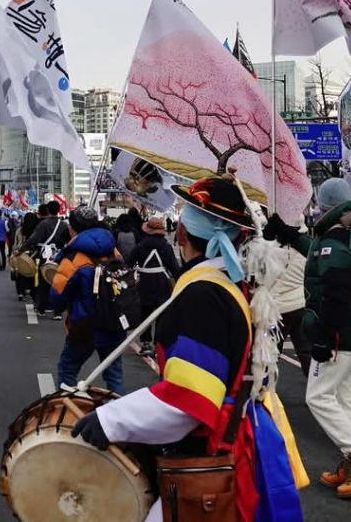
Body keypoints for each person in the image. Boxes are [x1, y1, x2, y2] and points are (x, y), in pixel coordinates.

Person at [71, 177, 302, 522]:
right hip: (237, 442)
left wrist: (110, 420)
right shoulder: (230, 284)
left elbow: (189, 400)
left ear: (181, 234)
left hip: (211, 452)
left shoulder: (204, 296)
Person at [267, 177, 351, 497]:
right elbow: (319, 254)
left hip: (338, 334)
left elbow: (333, 291)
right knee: (348, 399)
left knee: (318, 397)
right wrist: (289, 234)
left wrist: (324, 337)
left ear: (324, 204)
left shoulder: (335, 238)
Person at [50, 206, 127, 394]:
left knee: (68, 370)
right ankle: (116, 409)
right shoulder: (113, 251)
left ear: (72, 228)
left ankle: (67, 407)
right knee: (114, 374)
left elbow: (57, 296)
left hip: (84, 325)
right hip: (114, 320)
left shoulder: (73, 257)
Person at [261, 219, 313, 378]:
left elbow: (265, 279)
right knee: (306, 351)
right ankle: (318, 386)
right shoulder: (307, 247)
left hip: (277, 310)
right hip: (300, 304)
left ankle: (265, 387)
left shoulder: (271, 249)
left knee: (269, 354)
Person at [125, 216, 179, 358]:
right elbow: (174, 268)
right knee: (161, 315)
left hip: (145, 283)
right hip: (162, 283)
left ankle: (145, 343)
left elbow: (129, 263)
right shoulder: (166, 246)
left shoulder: (140, 246)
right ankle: (158, 344)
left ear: (148, 230)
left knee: (145, 314)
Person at [17, 201, 69, 317]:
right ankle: (58, 312)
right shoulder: (64, 225)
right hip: (59, 255)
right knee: (58, 281)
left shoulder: (43, 224)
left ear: (48, 210)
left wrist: (21, 250)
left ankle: (41, 309)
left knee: (43, 281)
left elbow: (33, 239)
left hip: (44, 255)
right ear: (59, 210)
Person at [12, 212, 40, 301]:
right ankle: (30, 291)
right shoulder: (35, 230)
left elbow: (15, 243)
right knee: (31, 273)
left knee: (20, 273)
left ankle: (20, 293)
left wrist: (14, 252)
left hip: (20, 254)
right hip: (32, 255)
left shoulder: (19, 229)